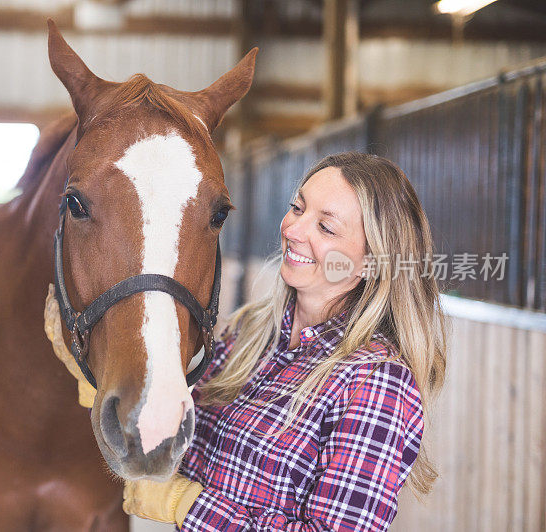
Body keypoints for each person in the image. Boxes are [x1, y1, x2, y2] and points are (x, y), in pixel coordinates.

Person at [47, 151, 448, 531]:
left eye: (325, 226)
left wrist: (188, 505)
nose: (292, 229)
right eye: (297, 207)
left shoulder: (376, 383)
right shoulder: (248, 334)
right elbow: (175, 424)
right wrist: (93, 378)